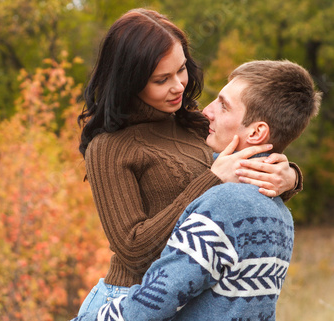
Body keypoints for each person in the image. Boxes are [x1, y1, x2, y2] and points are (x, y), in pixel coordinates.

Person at [77, 8, 301, 315]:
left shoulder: (196, 125)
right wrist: (212, 179)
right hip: (127, 301)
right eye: (161, 79)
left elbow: (244, 173)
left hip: (181, 299)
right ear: (131, 81)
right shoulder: (109, 147)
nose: (179, 85)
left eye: (181, 69)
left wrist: (289, 177)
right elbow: (133, 251)